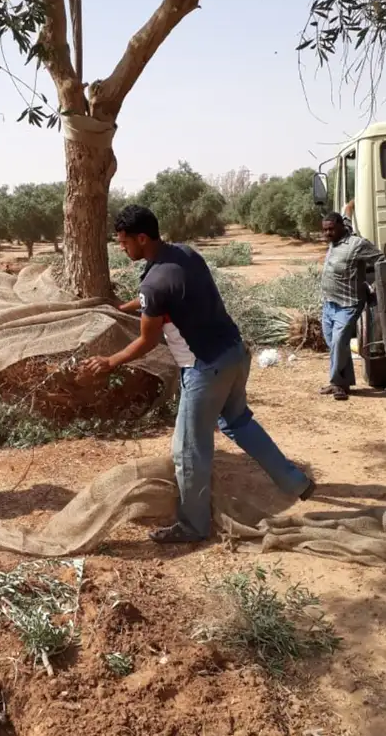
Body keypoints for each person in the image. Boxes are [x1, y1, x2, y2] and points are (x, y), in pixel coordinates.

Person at [82, 204, 315, 544]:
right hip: (236, 353)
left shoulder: (154, 283)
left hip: (205, 368)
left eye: (123, 241)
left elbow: (148, 340)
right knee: (238, 422)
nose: (122, 248)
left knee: (188, 451)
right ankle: (296, 482)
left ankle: (192, 526)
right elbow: (158, 299)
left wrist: (110, 362)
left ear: (142, 238)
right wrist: (123, 308)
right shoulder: (184, 255)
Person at [320, 207, 382, 401]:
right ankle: (342, 383)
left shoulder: (357, 244)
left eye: (330, 229)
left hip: (349, 304)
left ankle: (337, 384)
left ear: (340, 227)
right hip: (329, 304)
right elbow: (346, 212)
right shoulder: (335, 239)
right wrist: (350, 204)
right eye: (324, 230)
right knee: (335, 344)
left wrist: (374, 285)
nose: (327, 233)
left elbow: (381, 259)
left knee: (339, 342)